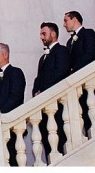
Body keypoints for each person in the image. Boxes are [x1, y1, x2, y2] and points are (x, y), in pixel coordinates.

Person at [33, 23, 71, 161]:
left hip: (57, 105)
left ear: (53, 34)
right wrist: (35, 92)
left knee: (59, 139)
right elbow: (38, 78)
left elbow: (61, 73)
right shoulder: (42, 58)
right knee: (47, 142)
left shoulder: (62, 51)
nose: (41, 37)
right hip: (45, 107)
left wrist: (43, 91)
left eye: (44, 33)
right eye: (41, 34)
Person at [0, 43, 25, 166]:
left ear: (5, 54)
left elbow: (15, 98)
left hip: (12, 126)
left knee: (14, 161)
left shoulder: (16, 73)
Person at [64, 10, 95, 134]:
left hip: (87, 81)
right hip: (76, 85)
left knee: (93, 114)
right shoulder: (69, 42)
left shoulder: (88, 34)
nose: (64, 24)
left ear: (74, 19)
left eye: (66, 20)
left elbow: (89, 56)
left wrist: (73, 70)